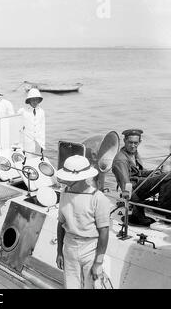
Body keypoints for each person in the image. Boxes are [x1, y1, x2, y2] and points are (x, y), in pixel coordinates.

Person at [56, 155, 111, 289]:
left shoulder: (98, 198)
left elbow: (104, 231)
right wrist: (59, 252)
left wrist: (98, 262)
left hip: (91, 249)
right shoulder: (64, 193)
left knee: (92, 286)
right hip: (69, 247)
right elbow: (61, 224)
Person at [112, 129, 171, 226]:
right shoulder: (121, 160)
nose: (133, 145)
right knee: (168, 176)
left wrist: (155, 173)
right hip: (134, 189)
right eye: (130, 142)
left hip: (139, 183)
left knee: (164, 175)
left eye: (135, 143)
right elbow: (126, 187)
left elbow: (138, 172)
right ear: (124, 141)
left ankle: (164, 206)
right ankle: (164, 208)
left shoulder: (133, 153)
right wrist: (138, 209)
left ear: (140, 142)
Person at [18, 88, 45, 154]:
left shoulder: (41, 111)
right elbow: (17, 128)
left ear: (39, 100)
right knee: (26, 162)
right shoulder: (22, 111)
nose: (35, 101)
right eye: (33, 99)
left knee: (37, 161)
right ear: (29, 100)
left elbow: (42, 129)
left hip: (38, 144)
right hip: (26, 144)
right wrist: (19, 146)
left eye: (36, 99)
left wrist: (42, 145)